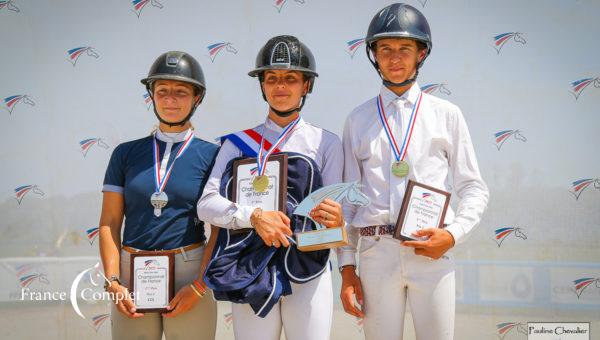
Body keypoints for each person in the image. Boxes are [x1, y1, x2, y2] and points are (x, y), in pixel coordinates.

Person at [337, 3, 489, 340]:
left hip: (430, 252)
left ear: (421, 53)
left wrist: (452, 235)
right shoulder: (358, 119)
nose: (394, 58)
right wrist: (347, 269)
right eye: (385, 49)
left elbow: (474, 188)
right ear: (373, 55)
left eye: (405, 49)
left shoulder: (447, 114)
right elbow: (348, 202)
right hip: (375, 253)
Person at [197, 35, 343, 340]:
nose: (280, 86)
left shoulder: (326, 143)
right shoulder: (236, 144)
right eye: (272, 78)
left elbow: (335, 229)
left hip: (308, 270)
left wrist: (337, 224)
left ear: (306, 85)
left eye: (291, 78)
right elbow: (206, 204)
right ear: (262, 84)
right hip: (249, 268)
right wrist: (254, 217)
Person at [98, 51, 218, 340]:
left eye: (181, 91)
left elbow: (220, 230)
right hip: (131, 274)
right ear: (151, 95)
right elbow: (109, 223)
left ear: (197, 98)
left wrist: (201, 284)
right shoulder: (125, 154)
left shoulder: (213, 154)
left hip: (190, 272)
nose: (170, 99)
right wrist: (113, 281)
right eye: (162, 91)